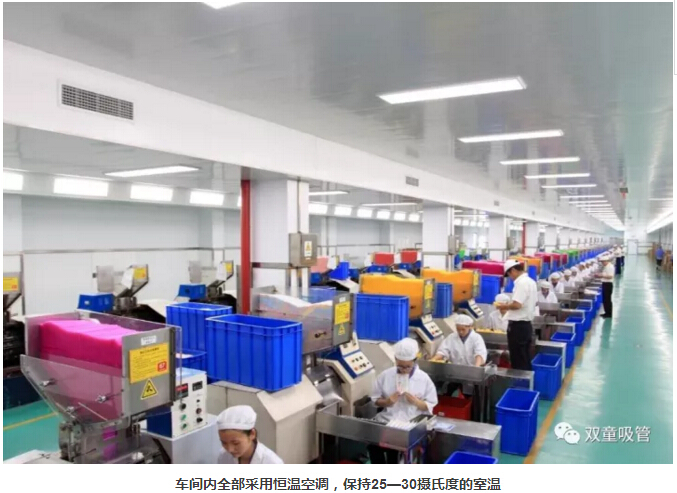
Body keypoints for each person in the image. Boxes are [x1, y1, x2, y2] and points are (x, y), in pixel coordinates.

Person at [369, 338, 438, 464]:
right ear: (395, 360)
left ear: (414, 361)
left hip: (411, 423)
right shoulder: (385, 375)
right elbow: (375, 399)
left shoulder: (423, 379)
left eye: (408, 367)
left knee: (395, 453)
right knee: (373, 446)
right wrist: (387, 402)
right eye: (400, 366)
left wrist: (416, 402)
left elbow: (430, 404)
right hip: (388, 421)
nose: (404, 370)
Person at [496, 260, 537, 371]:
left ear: (513, 270)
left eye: (509, 275)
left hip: (518, 327)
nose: (510, 278)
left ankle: (520, 380)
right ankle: (526, 380)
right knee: (524, 357)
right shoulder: (530, 281)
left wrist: (503, 306)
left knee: (518, 360)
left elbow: (517, 305)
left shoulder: (521, 283)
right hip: (525, 326)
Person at [216, 405, 284, 464]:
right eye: (224, 443)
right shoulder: (223, 456)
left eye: (236, 443)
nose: (230, 449)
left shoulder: (272, 463)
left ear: (252, 434)